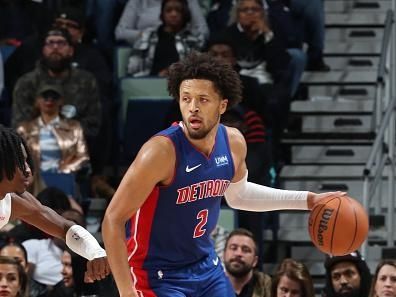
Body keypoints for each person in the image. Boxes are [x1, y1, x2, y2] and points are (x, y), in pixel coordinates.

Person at [102, 52, 344, 297]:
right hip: (158, 274)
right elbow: (113, 219)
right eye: (186, 99)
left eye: (203, 99)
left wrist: (308, 200)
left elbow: (239, 197)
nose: (193, 108)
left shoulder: (234, 142)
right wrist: (126, 292)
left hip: (205, 266)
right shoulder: (160, 152)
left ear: (223, 105)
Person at [0, 125, 109, 282]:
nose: (29, 171)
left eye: (27, 162)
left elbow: (65, 228)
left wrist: (95, 252)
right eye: (21, 163)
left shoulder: (14, 201)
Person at [16, 83, 90, 196]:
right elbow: (17, 156)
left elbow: (83, 156)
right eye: (45, 97)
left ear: (61, 101)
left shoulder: (74, 127)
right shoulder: (24, 128)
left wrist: (64, 169)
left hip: (63, 176)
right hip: (33, 179)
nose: (49, 100)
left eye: (54, 97)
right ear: (37, 101)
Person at [126, 0, 204, 77]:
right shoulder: (147, 37)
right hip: (149, 83)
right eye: (168, 10)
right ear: (162, 14)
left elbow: (198, 72)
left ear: (185, 14)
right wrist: (156, 75)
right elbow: (133, 70)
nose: (173, 14)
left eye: (178, 10)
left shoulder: (194, 40)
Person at [223, 228, 271, 297]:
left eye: (245, 250)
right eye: (233, 248)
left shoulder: (268, 287)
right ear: (224, 255)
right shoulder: (209, 286)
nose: (238, 254)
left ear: (255, 261)